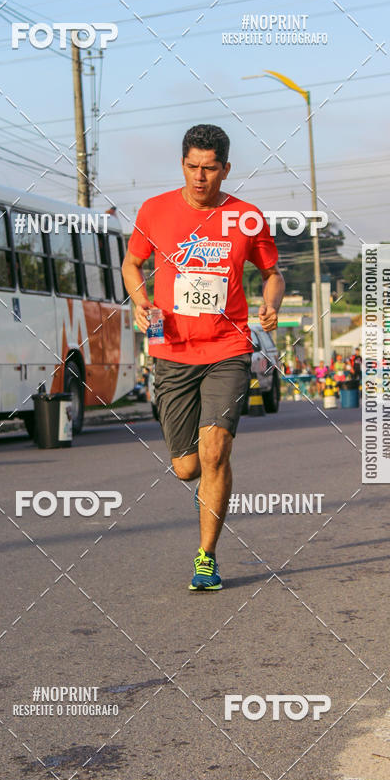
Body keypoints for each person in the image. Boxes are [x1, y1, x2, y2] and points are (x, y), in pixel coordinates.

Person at [122, 123, 284, 590]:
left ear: (225, 169)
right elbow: (133, 263)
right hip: (171, 348)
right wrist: (139, 299)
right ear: (182, 164)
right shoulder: (154, 211)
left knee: (215, 453)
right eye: (192, 167)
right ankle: (190, 460)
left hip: (228, 348)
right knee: (186, 468)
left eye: (209, 169)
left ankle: (206, 557)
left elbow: (273, 273)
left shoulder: (246, 218)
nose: (199, 177)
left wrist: (270, 304)